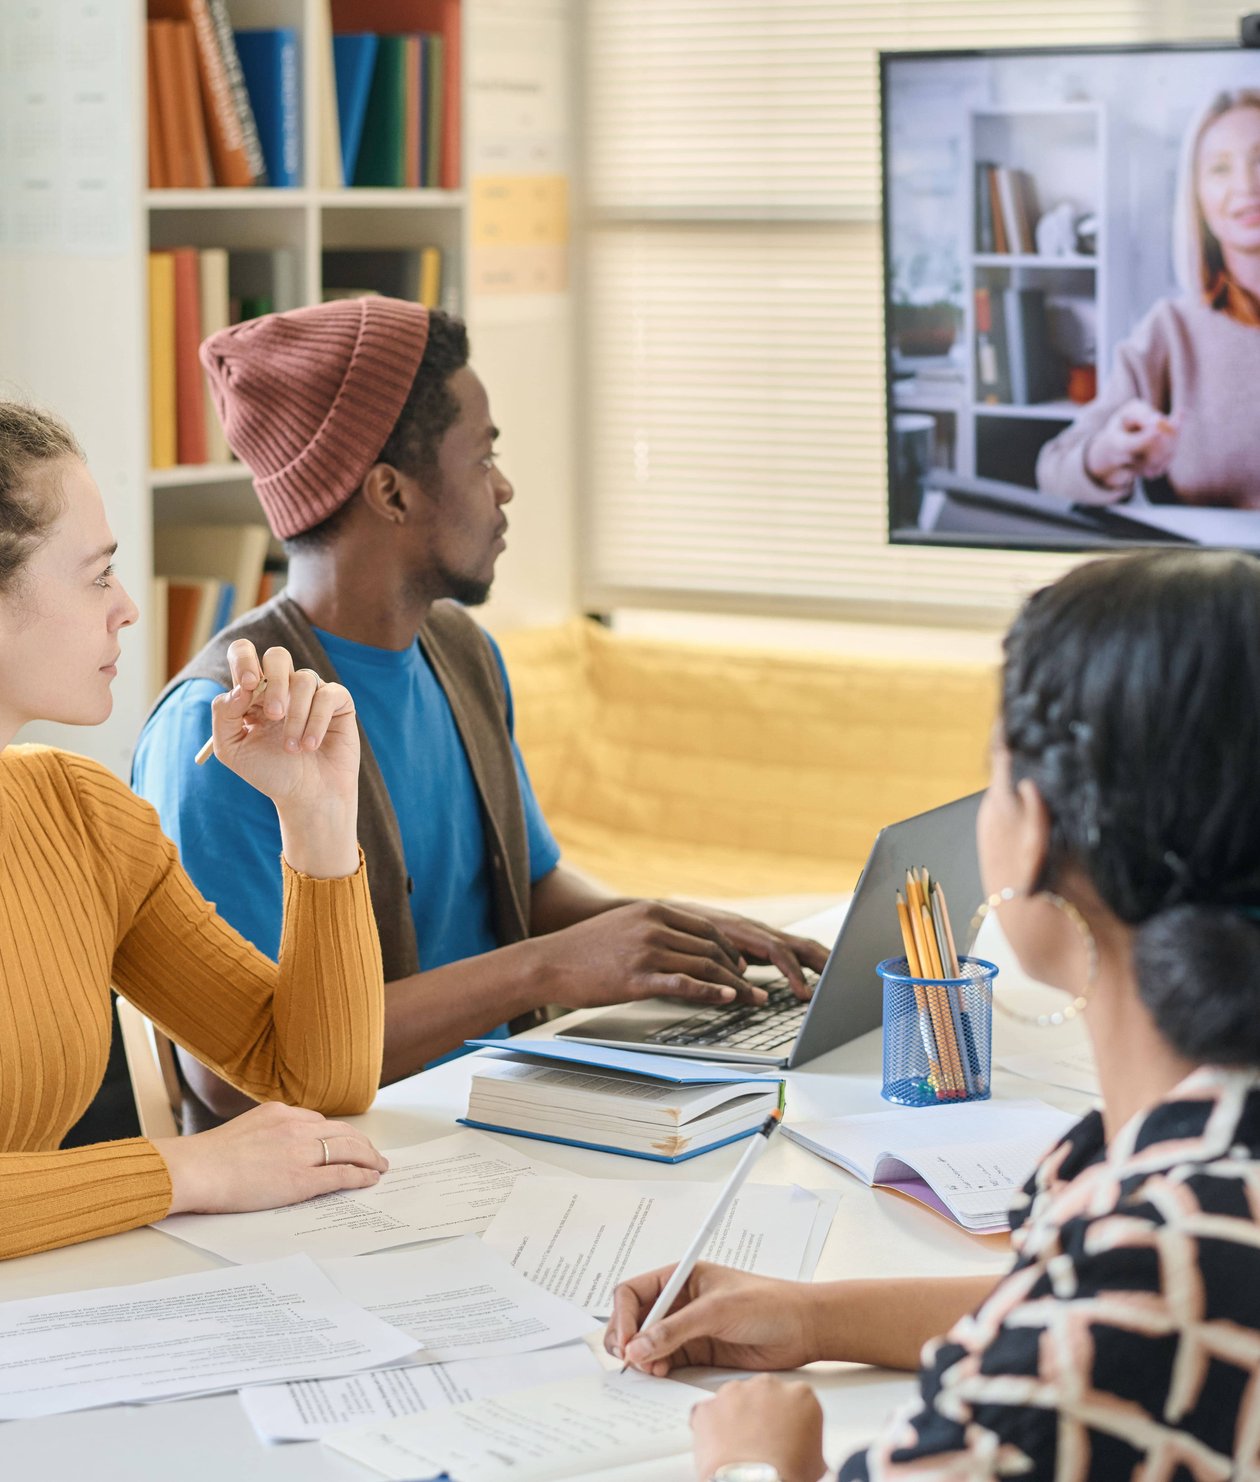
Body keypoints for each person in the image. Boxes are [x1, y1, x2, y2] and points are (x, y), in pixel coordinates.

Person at [608, 548, 1260, 1480]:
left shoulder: (1149, 1278)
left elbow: (1109, 1323)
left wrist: (758, 1465)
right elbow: (1080, 1307)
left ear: (1033, 829)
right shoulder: (1194, 1181)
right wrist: (813, 1316)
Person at [131, 297, 827, 1127]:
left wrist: (670, 931)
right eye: (483, 456)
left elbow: (526, 889)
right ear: (391, 493)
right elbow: (234, 1076)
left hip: (504, 1115)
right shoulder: (228, 730)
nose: (503, 487)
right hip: (352, 1162)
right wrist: (545, 969)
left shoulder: (460, 651)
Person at [0, 401, 389, 1263]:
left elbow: (314, 1083)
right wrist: (191, 1169)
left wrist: (317, 815)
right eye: (98, 575)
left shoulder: (78, 814)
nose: (128, 608)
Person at [1037, 89, 1260, 507]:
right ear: (1197, 197)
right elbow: (1054, 469)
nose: (1247, 185)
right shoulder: (1171, 330)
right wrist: (1109, 452)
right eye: (1220, 168)